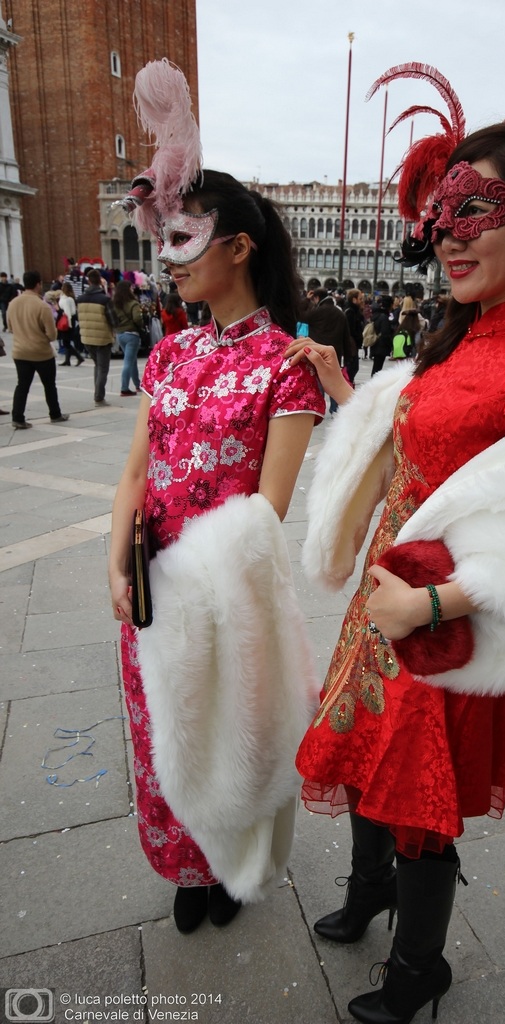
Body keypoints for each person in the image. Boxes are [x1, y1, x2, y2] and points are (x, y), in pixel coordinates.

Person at [286, 112, 505, 1024]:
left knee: (418, 797)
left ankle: (418, 968)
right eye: (441, 216)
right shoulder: (461, 336)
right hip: (386, 599)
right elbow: (416, 443)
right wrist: (349, 396)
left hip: (442, 623)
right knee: (362, 757)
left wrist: (430, 604)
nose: (447, 237)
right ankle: (369, 895)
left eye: (475, 211)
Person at [108, 59, 325, 937]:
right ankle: (181, 867)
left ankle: (230, 865)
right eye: (164, 242)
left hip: (227, 591)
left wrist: (200, 572)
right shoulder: (168, 356)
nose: (170, 262)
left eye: (186, 240)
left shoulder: (288, 364)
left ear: (239, 246)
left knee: (231, 730)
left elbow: (268, 508)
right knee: (160, 733)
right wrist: (117, 560)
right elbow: (133, 472)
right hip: (151, 585)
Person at [8, 270, 69, 428]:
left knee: (22, 385)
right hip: (41, 353)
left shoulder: (13, 303)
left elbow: (10, 327)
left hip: (20, 351)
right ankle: (55, 414)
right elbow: (52, 335)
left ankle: (17, 417)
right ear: (38, 284)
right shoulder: (42, 306)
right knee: (49, 385)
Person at [306, 287, 355, 413]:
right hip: (334, 354)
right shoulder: (340, 313)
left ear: (316, 298)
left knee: (318, 381)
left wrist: (306, 300)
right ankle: (335, 409)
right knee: (334, 380)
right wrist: (348, 357)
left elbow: (299, 315)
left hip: (316, 351)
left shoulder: (316, 312)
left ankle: (318, 407)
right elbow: (346, 336)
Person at [77, 268, 116, 405]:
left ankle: (97, 393)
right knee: (103, 368)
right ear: (100, 281)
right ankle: (99, 396)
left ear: (88, 281)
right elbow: (113, 319)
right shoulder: (104, 299)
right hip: (102, 338)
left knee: (97, 365)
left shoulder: (80, 299)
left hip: (87, 337)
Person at [112, 279, 144, 396]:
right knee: (128, 362)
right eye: (131, 288)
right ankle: (124, 388)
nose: (132, 289)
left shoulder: (115, 304)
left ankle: (137, 385)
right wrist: (141, 325)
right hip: (132, 334)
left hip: (120, 334)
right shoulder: (133, 303)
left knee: (132, 361)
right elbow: (137, 318)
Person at [57, 282, 83, 366]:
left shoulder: (68, 299)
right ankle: (67, 360)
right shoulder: (65, 298)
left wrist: (69, 325)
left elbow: (68, 312)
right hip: (67, 319)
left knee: (66, 342)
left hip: (67, 320)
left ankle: (79, 357)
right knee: (66, 341)